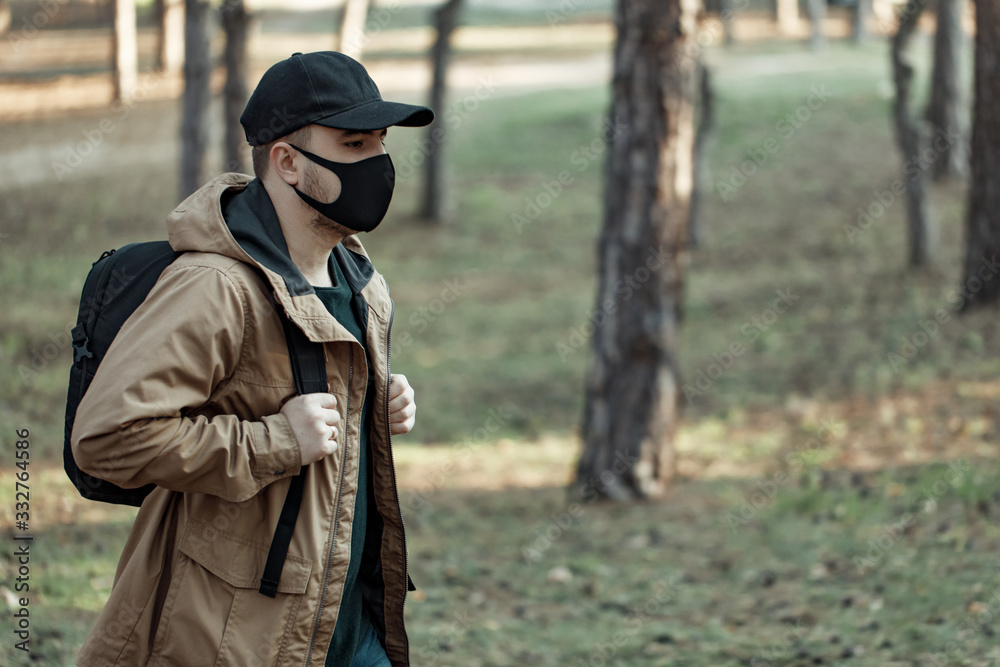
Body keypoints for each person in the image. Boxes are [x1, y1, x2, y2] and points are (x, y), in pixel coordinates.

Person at [71, 51, 432, 666]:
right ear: (287, 162)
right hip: (238, 637)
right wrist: (275, 442)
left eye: (379, 143)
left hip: (353, 626)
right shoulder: (213, 286)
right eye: (352, 144)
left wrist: (376, 399)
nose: (377, 163)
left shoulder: (358, 274)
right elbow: (108, 437)